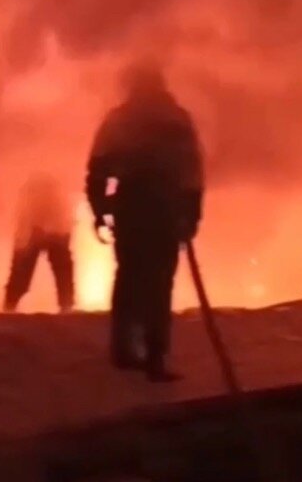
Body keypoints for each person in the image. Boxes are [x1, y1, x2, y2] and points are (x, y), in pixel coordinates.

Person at [85, 60, 204, 382]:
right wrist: (191, 212)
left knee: (129, 277)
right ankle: (154, 356)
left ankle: (124, 350)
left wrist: (100, 210)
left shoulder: (121, 119)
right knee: (159, 283)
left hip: (133, 207)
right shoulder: (176, 119)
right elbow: (193, 172)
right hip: (165, 209)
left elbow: (98, 169)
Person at [3, 172, 75, 313]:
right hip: (43, 223)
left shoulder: (35, 183)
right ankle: (9, 306)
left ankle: (9, 307)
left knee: (61, 270)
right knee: (60, 270)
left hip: (48, 223)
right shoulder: (50, 182)